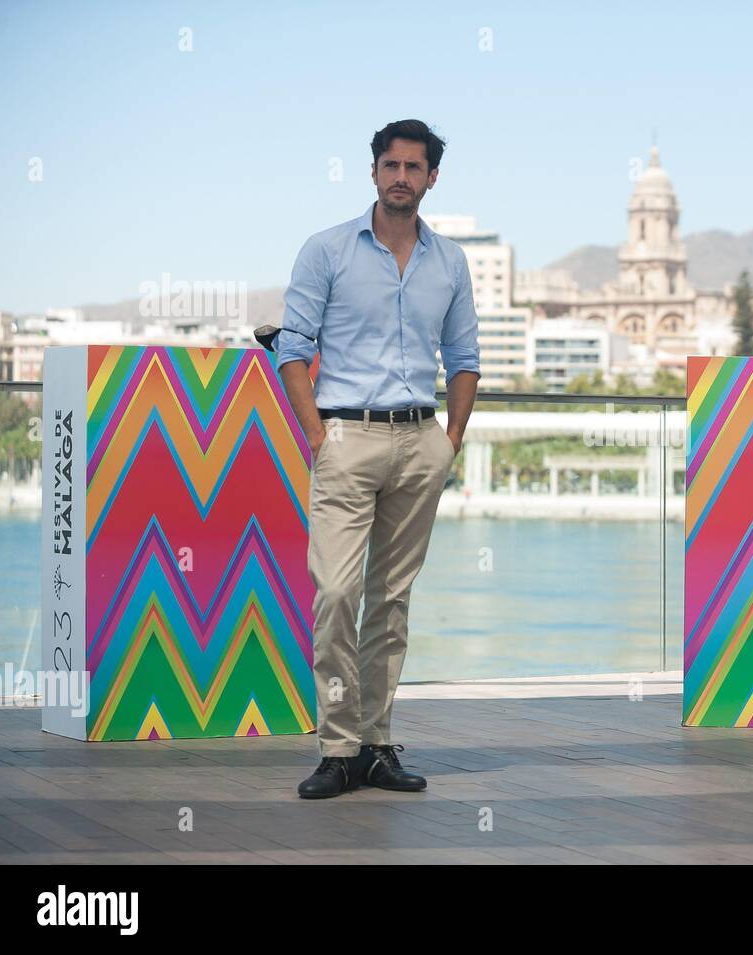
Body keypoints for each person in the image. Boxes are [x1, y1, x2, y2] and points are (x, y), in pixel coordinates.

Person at [273, 119, 480, 799]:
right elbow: (293, 350)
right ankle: (337, 747)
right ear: (372, 172)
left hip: (419, 442)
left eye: (413, 167)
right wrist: (317, 436)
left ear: (431, 178)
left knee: (390, 600)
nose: (400, 177)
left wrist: (448, 439)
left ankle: (377, 744)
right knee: (336, 592)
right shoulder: (327, 250)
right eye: (389, 165)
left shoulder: (449, 261)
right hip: (346, 439)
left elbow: (465, 359)